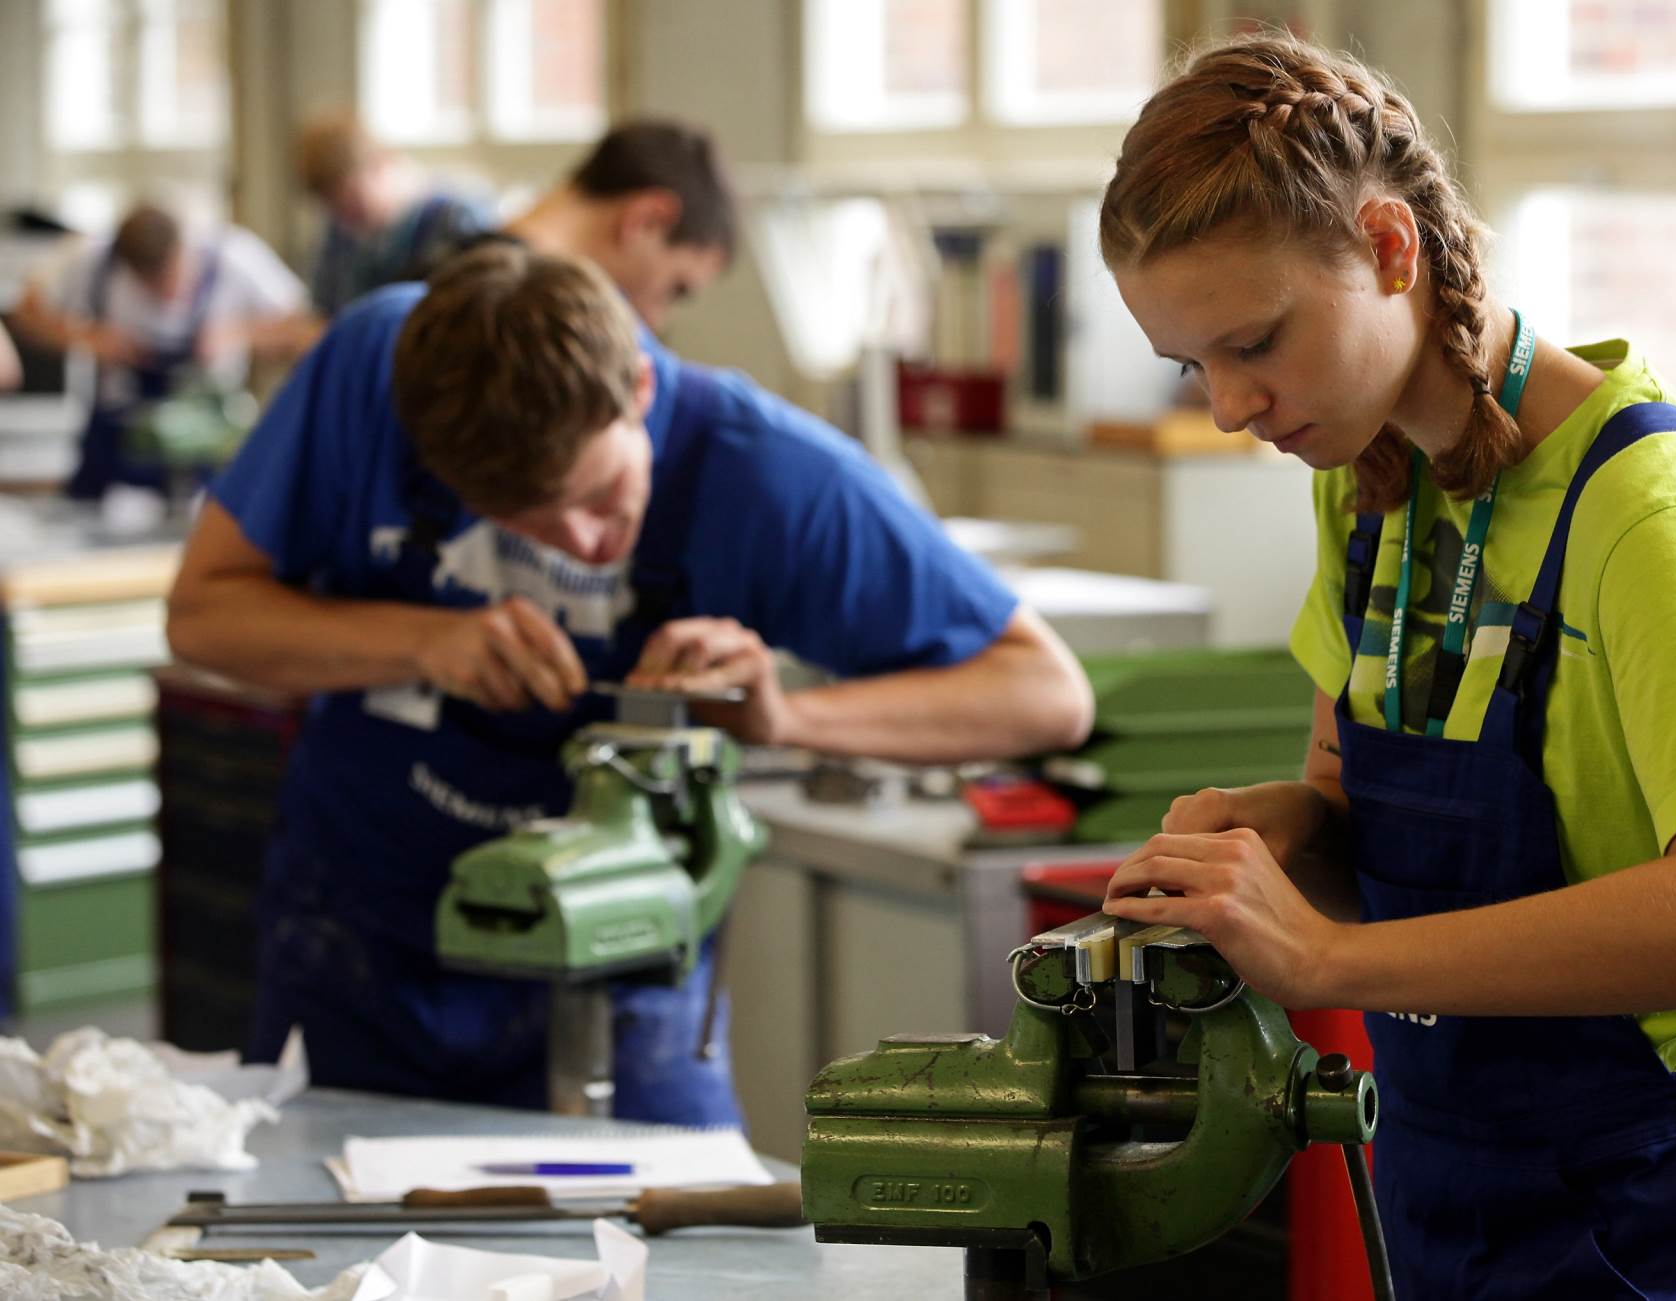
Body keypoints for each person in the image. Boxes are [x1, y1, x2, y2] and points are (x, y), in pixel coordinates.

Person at [1096, 33, 1676, 1298]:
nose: (1228, 406)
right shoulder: (1367, 483)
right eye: (1193, 363)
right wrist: (1277, 838)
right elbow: (1346, 794)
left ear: (1390, 250)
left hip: (1656, 1213)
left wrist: (1329, 963)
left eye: (1257, 343)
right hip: (1450, 1196)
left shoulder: (1652, 510)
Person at [166, 241, 1093, 1125]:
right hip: (361, 946)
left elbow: (1044, 693)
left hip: (625, 971)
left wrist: (785, 716)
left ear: (641, 388)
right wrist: (418, 641)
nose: (581, 545)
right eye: (526, 522)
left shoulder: (769, 476)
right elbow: (202, 617)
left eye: (602, 497)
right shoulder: (374, 368)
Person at [11, 202, 315, 498]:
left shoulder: (233, 256)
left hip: (206, 442)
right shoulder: (94, 261)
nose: (166, 294)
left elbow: (305, 329)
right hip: (117, 436)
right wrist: (89, 338)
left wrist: (238, 333)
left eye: (173, 276)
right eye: (151, 284)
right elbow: (25, 313)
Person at [297, 112, 493, 316]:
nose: (345, 215)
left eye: (352, 198)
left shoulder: (456, 218)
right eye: (335, 207)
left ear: (381, 164)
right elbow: (323, 309)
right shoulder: (341, 230)